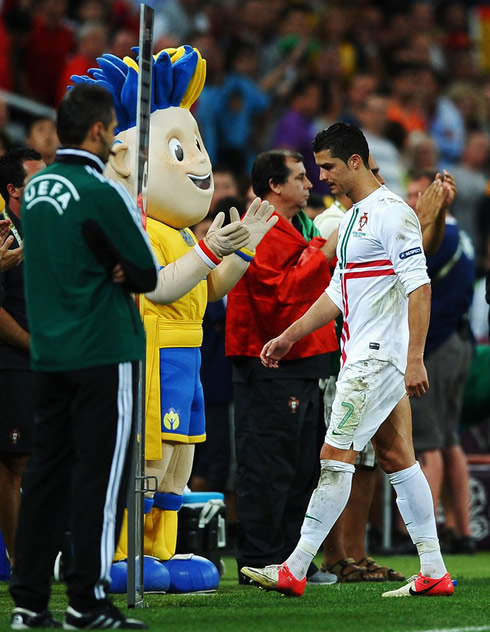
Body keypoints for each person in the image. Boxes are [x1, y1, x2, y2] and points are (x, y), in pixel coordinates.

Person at [241, 123, 453, 599]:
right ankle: (434, 570)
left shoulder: (392, 214)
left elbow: (419, 286)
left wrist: (415, 357)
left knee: (334, 458)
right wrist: (288, 337)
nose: (322, 178)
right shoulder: (357, 216)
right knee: (399, 459)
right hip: (367, 355)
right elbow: (336, 293)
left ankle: (294, 567)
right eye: (318, 168)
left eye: (329, 166)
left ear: (355, 161)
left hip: (375, 360)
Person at [9, 83, 158, 630]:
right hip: (103, 349)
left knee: (46, 475)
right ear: (97, 131)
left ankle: (27, 602)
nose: (115, 136)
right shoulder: (99, 190)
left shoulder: (37, 184)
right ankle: (86, 602)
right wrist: (117, 266)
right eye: (113, 127)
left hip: (49, 352)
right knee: (102, 476)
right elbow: (145, 270)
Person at [225, 149, 339, 585]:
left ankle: (293, 561)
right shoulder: (258, 230)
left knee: (302, 466)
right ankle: (260, 558)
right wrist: (323, 252)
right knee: (269, 464)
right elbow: (280, 296)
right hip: (270, 363)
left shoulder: (295, 226)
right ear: (274, 185)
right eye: (299, 177)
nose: (310, 184)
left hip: (306, 362)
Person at [406, 169, 476, 554]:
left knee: (429, 444)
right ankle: (463, 532)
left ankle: (421, 538)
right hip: (459, 344)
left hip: (436, 348)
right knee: (450, 441)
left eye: (419, 195)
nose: (414, 204)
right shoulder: (461, 234)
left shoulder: (440, 238)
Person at [0, 147, 45, 571]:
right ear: (13, 190)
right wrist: (34, 345)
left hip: (40, 363)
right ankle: (20, 560)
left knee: (33, 459)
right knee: (11, 463)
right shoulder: (3, 234)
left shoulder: (40, 232)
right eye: (36, 182)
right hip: (12, 361)